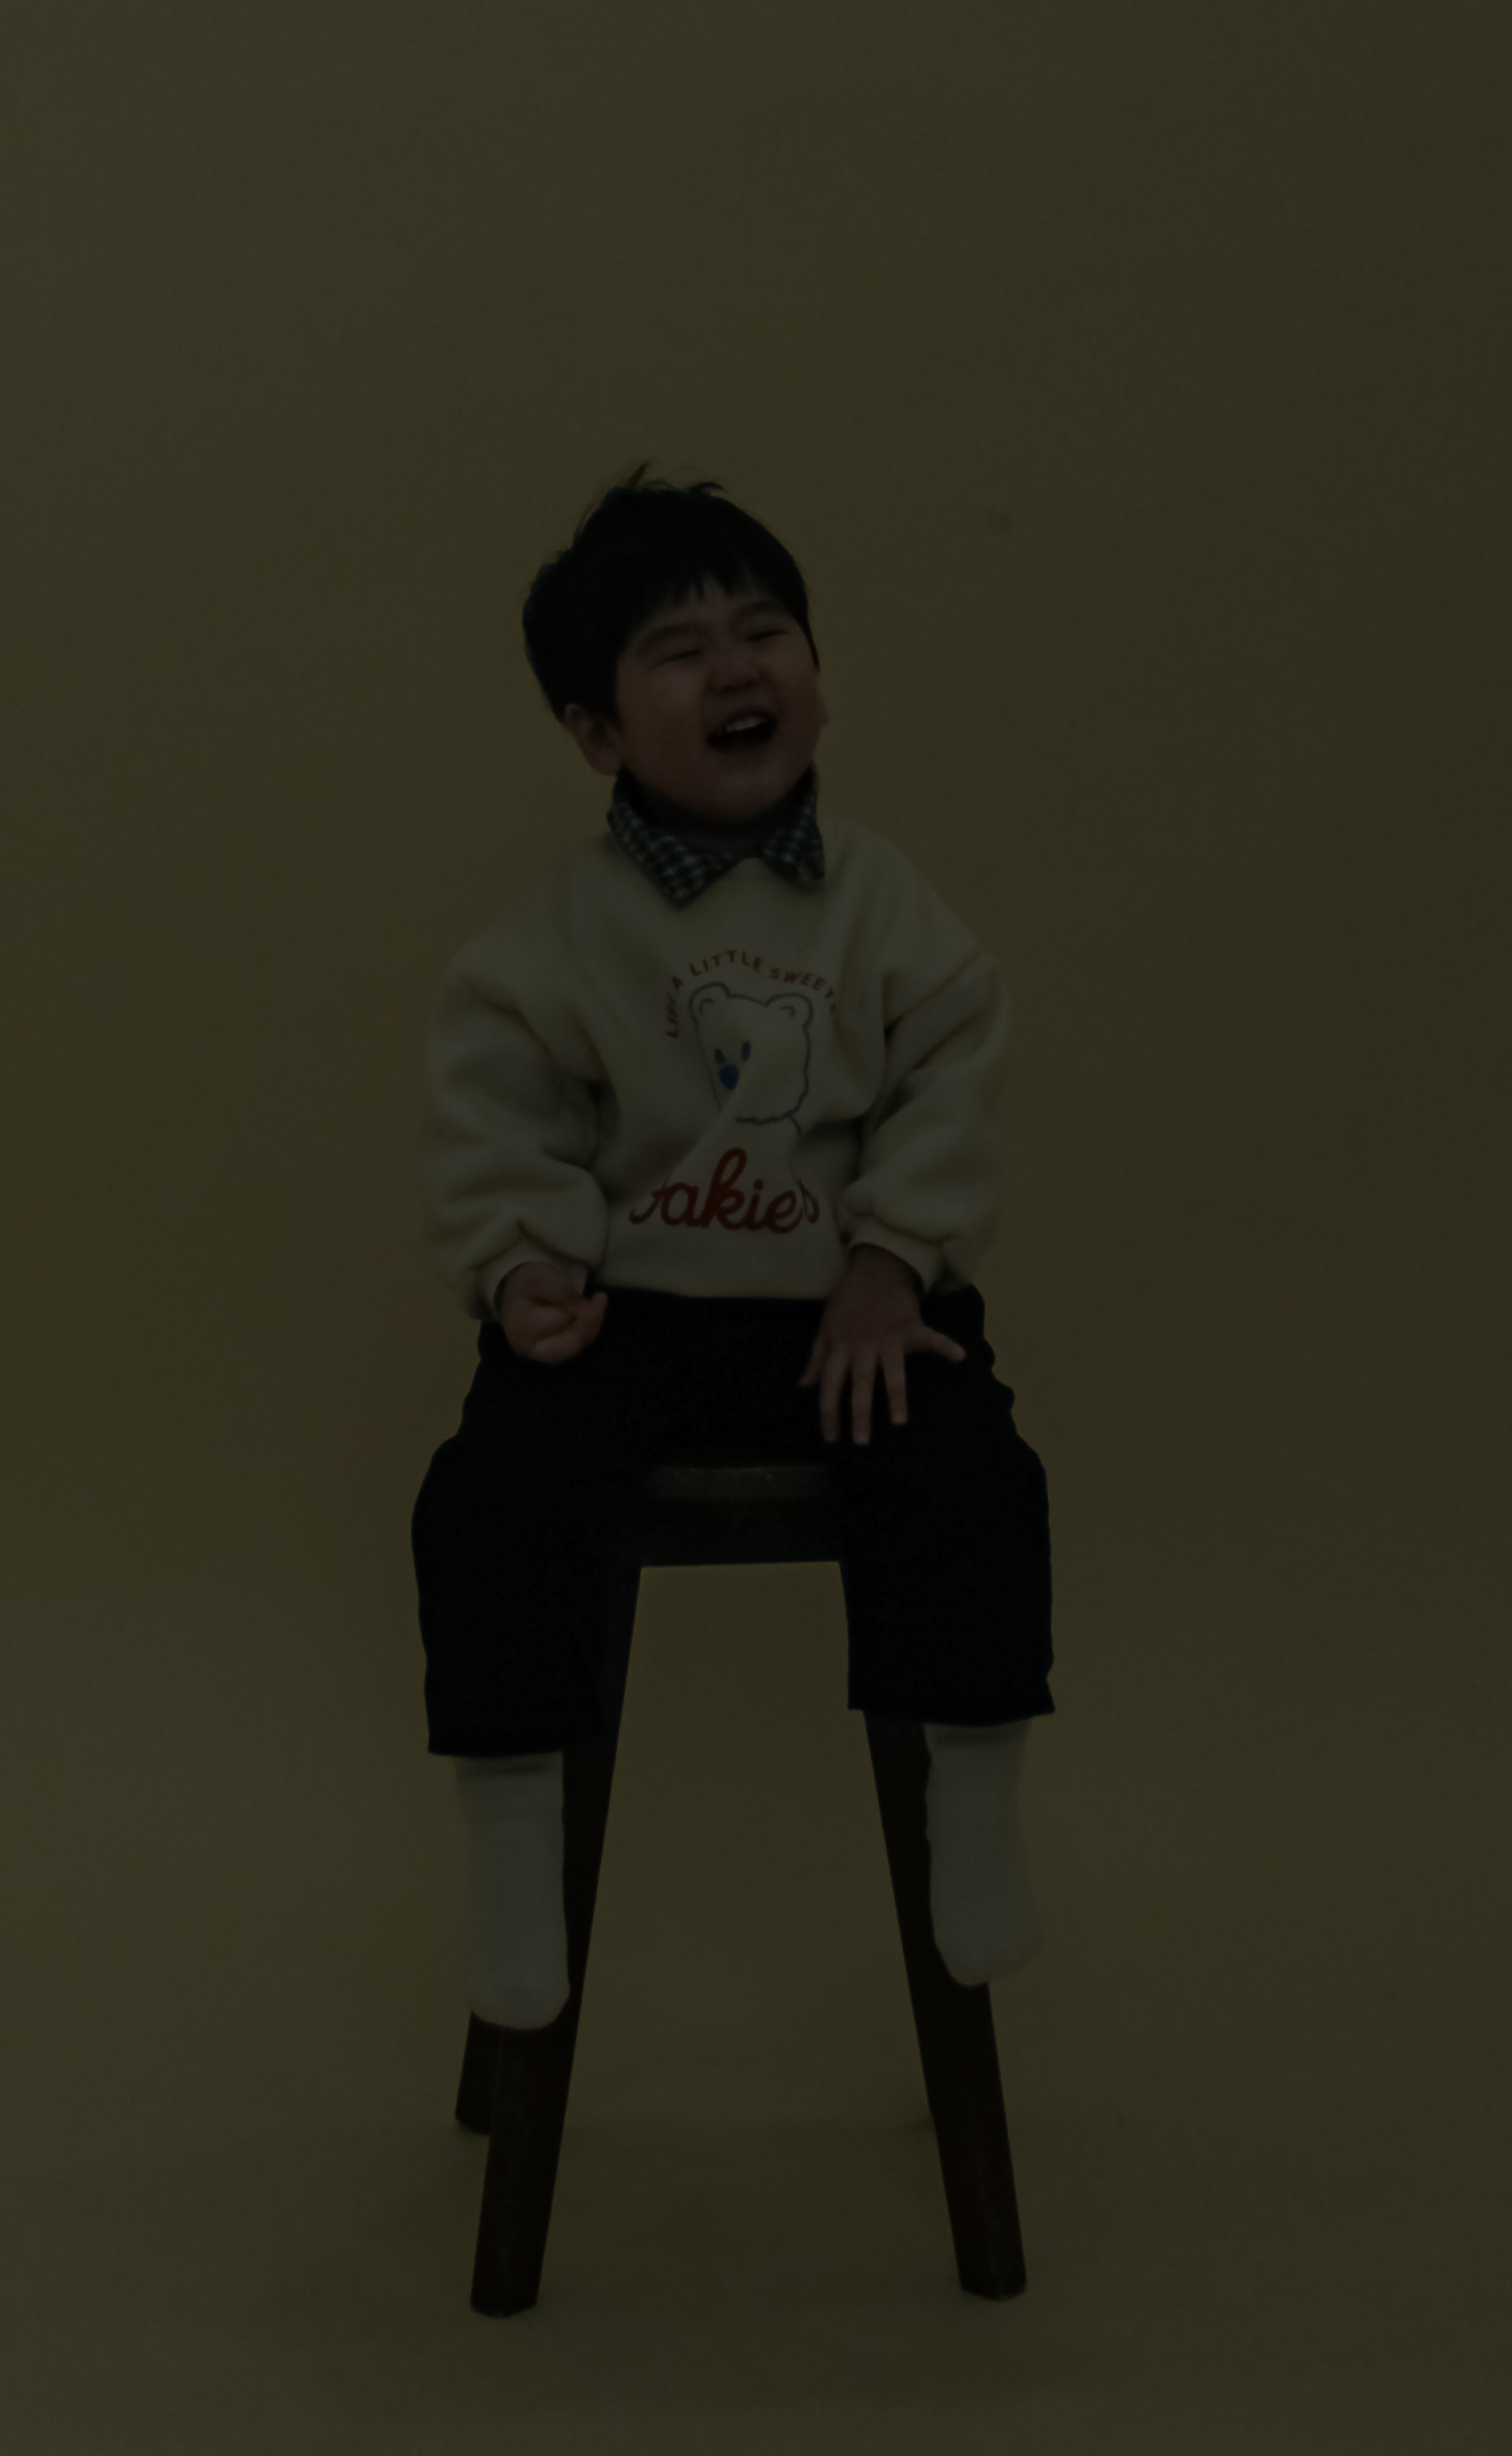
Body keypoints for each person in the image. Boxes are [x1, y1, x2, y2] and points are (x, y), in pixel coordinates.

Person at [411, 465, 1055, 2033]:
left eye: (765, 632)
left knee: (966, 1465)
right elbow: (497, 1113)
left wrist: (893, 1260)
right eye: (679, 652)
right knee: (494, 1492)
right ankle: (513, 1832)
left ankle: (973, 1788)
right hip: (634, 1318)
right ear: (597, 732)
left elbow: (947, 1081)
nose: (735, 670)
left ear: (816, 669)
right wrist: (524, 1269)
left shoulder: (884, 903)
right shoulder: (555, 933)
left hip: (845, 1310)